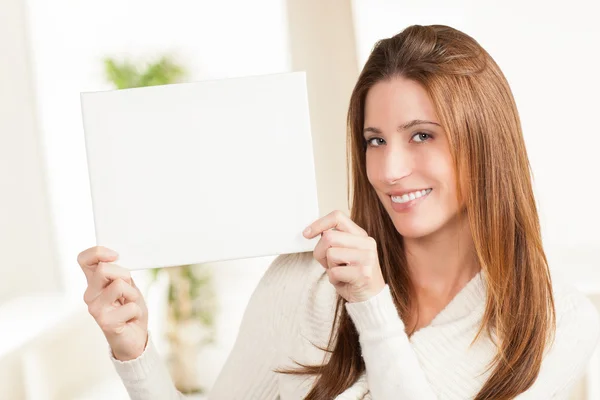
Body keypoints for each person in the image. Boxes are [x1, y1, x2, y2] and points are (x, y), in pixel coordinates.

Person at [77, 24, 600, 399]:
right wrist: (134, 351)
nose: (390, 170)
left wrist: (373, 307)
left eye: (421, 135)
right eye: (375, 140)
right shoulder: (302, 282)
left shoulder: (554, 321)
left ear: (485, 144)